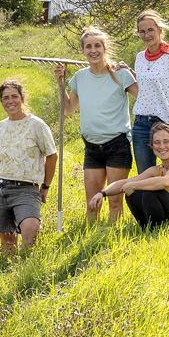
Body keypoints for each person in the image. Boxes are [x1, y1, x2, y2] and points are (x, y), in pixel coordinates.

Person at [55, 26, 139, 221]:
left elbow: (143, 98)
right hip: (92, 147)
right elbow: (68, 110)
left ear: (105, 48)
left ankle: (111, 246)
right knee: (92, 205)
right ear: (83, 51)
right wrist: (60, 82)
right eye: (88, 47)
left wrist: (134, 73)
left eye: (97, 46)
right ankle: (91, 242)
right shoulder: (80, 77)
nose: (93, 50)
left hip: (117, 144)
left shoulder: (121, 75)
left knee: (115, 203)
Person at [0, 79, 58, 256]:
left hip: (26, 188)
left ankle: (27, 270)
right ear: (1, 101)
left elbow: (52, 156)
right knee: (7, 243)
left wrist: (45, 186)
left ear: (22, 98)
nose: (10, 101)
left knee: (30, 232)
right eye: (5, 98)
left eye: (14, 96)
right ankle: (11, 275)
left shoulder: (37, 125)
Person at [89, 122, 169, 228]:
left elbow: (166, 182)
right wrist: (102, 193)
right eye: (157, 143)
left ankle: (157, 231)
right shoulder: (155, 170)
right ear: (152, 147)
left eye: (166, 141)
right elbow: (125, 183)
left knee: (150, 191)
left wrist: (134, 185)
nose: (161, 146)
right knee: (132, 194)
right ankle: (149, 229)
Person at [130, 10, 169, 173]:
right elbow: (145, 85)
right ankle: (149, 200)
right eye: (142, 31)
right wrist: (127, 72)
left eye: (150, 30)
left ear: (160, 31)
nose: (146, 35)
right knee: (145, 175)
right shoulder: (140, 58)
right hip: (141, 124)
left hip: (165, 123)